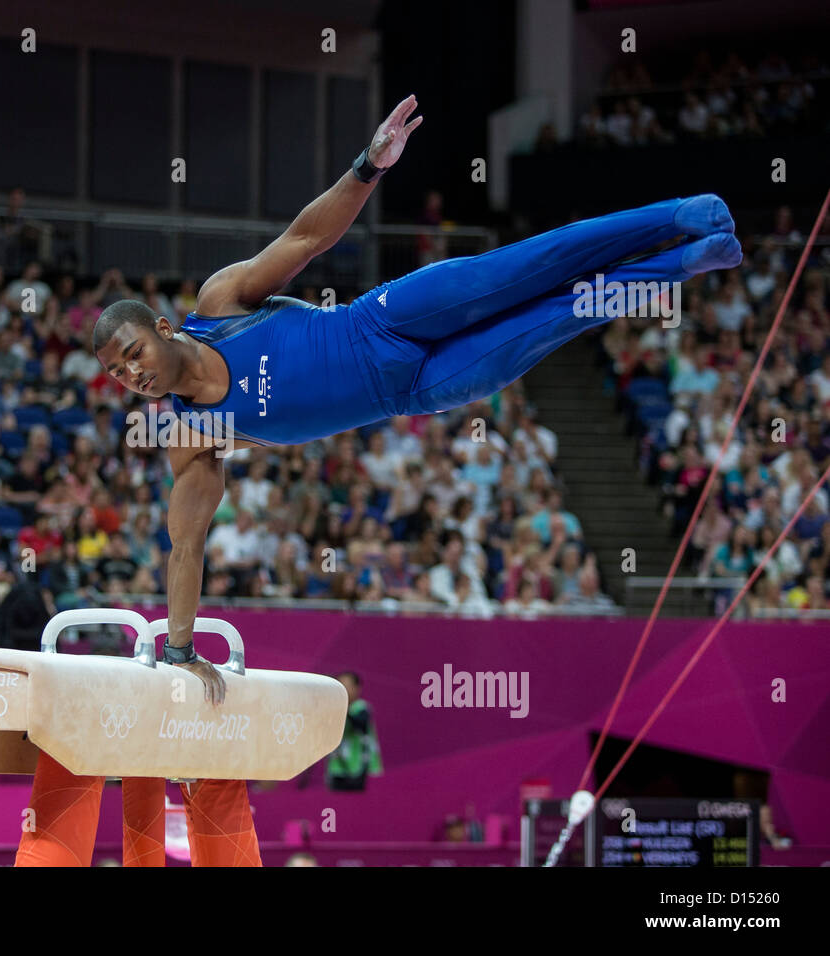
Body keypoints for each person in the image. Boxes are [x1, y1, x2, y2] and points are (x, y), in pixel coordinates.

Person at [92, 95, 742, 703]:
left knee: (535, 265)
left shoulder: (219, 305)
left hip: (388, 318)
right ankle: (688, 262)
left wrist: (367, 167)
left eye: (133, 354)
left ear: (163, 329)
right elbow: (187, 544)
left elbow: (305, 239)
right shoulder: (191, 436)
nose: (132, 374)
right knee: (563, 313)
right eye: (120, 373)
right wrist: (178, 647)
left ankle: (678, 215)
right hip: (419, 386)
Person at [324, 672, 382, 790]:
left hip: (362, 768)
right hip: (338, 767)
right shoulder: (332, 710)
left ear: (357, 689)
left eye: (347, 686)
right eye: (340, 686)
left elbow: (360, 724)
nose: (344, 690)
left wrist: (345, 709)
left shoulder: (362, 708)